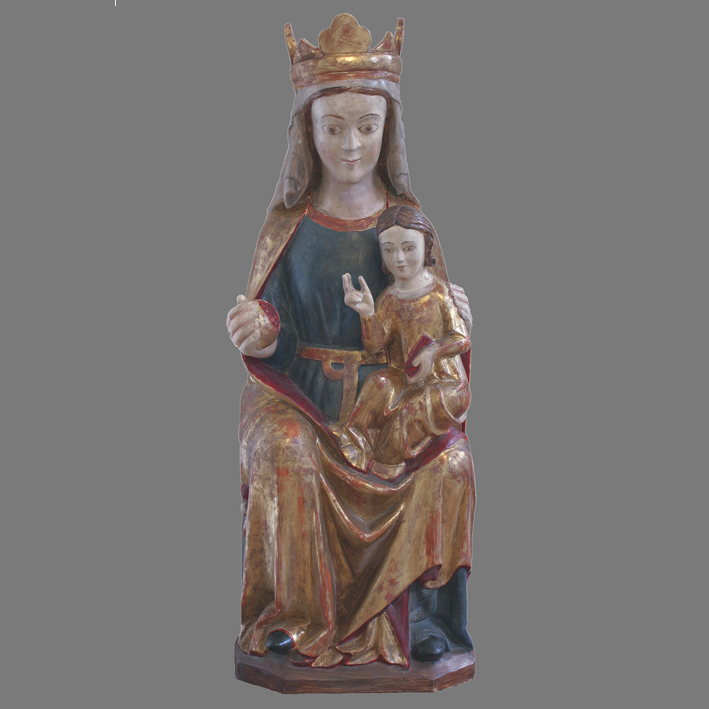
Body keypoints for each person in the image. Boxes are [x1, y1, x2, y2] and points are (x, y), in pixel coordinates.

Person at [226, 14, 475, 668]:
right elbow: (272, 323)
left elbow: (436, 339)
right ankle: (298, 617)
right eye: (332, 127)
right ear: (306, 130)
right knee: (286, 448)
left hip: (387, 402)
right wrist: (262, 331)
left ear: (388, 129)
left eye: (367, 125)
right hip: (302, 398)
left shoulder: (410, 228)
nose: (350, 144)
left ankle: (417, 618)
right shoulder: (287, 225)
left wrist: (455, 323)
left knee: (450, 462)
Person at [339, 205, 471, 474]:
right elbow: (375, 345)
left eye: (409, 248)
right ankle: (356, 448)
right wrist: (367, 314)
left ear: (427, 246)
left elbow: (462, 339)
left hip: (446, 384)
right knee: (379, 384)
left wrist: (433, 351)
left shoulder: (440, 293)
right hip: (405, 377)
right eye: (389, 250)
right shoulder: (388, 298)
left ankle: (386, 465)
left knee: (412, 410)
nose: (399, 258)